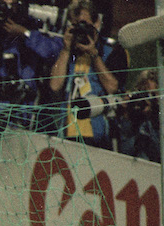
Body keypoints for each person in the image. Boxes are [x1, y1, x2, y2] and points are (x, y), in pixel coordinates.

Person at [45, 0, 127, 149]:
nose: (81, 31)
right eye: (76, 25)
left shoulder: (111, 51)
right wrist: (65, 50)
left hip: (97, 133)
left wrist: (94, 54)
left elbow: (112, 87)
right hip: (67, 132)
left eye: (84, 24)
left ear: (96, 23)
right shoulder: (65, 51)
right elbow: (55, 85)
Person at [0, 0, 63, 123]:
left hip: (24, 111)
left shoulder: (33, 25)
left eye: (12, 5)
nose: (7, 10)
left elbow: (53, 52)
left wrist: (25, 34)